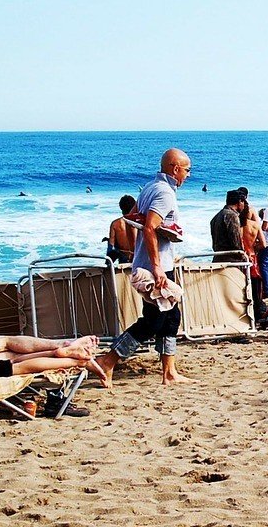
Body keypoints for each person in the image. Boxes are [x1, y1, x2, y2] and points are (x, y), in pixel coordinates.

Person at [95, 148, 194, 386]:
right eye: (187, 170)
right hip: (154, 267)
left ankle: (169, 372)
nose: (189, 175)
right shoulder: (164, 192)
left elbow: (134, 220)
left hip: (152, 263)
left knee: (171, 316)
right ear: (175, 168)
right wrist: (158, 267)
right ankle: (108, 361)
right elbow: (149, 227)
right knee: (153, 321)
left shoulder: (150, 187)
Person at [210, 190, 245, 260]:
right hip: (230, 259)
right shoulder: (232, 216)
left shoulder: (216, 216)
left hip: (218, 256)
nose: (244, 205)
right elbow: (236, 242)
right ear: (239, 202)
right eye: (243, 202)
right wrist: (242, 256)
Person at [106, 195, 138, 263]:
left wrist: (107, 263)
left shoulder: (115, 224)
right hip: (137, 258)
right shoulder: (138, 223)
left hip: (123, 259)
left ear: (121, 207)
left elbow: (111, 246)